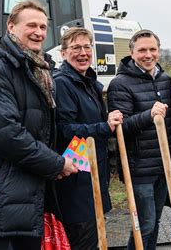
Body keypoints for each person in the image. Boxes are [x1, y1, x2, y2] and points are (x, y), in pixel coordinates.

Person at [0, 0, 77, 249]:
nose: (39, 32)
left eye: (43, 27)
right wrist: (56, 163)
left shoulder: (35, 69)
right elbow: (6, 134)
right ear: (11, 26)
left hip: (24, 194)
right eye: (31, 25)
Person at [54, 27, 123, 249]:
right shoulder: (64, 83)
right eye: (75, 47)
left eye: (87, 47)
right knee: (84, 240)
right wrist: (104, 126)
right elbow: (65, 130)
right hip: (76, 182)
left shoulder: (87, 82)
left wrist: (107, 118)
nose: (83, 53)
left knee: (95, 238)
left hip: (93, 173)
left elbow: (89, 118)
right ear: (63, 53)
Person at [107, 29, 171, 250]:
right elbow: (121, 127)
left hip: (162, 166)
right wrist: (149, 115)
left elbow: (170, 125)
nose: (148, 54)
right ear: (131, 52)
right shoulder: (121, 84)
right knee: (143, 225)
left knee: (154, 222)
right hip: (138, 168)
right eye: (142, 50)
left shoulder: (165, 80)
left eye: (153, 49)